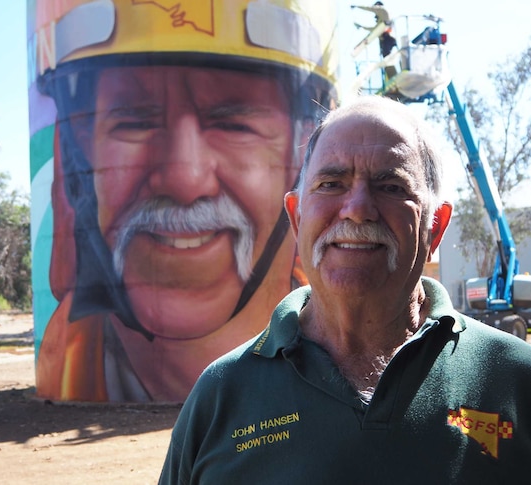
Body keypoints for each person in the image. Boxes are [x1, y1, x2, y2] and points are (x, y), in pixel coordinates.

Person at [159, 96, 531, 484]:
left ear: (436, 228)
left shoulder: (518, 381)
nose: (356, 210)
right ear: (296, 219)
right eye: (330, 184)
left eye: (391, 186)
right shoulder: (222, 395)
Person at [29, 0, 338, 402]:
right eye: (135, 121)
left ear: (300, 154)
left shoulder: (339, 370)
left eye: (234, 123)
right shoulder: (66, 362)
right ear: (80, 150)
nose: (184, 181)